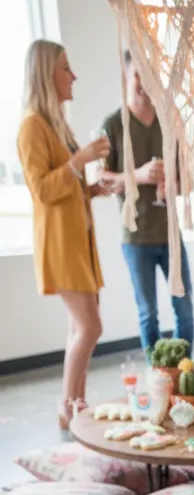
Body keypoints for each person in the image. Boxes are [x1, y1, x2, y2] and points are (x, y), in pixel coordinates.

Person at [17, 41, 110, 430]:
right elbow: (42, 190)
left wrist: (93, 189)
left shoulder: (55, 124)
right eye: (66, 68)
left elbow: (66, 187)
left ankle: (76, 406)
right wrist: (80, 159)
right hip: (60, 246)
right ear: (47, 74)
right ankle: (67, 406)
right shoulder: (31, 127)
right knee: (90, 327)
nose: (74, 76)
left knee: (80, 327)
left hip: (78, 243)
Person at [102, 51, 194, 356]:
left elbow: (187, 180)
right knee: (148, 314)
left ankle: (183, 370)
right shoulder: (114, 125)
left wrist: (174, 185)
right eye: (138, 74)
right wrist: (138, 176)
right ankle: (158, 374)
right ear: (126, 76)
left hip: (170, 235)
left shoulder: (170, 123)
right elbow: (101, 180)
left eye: (151, 74)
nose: (144, 82)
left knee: (185, 310)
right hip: (136, 238)